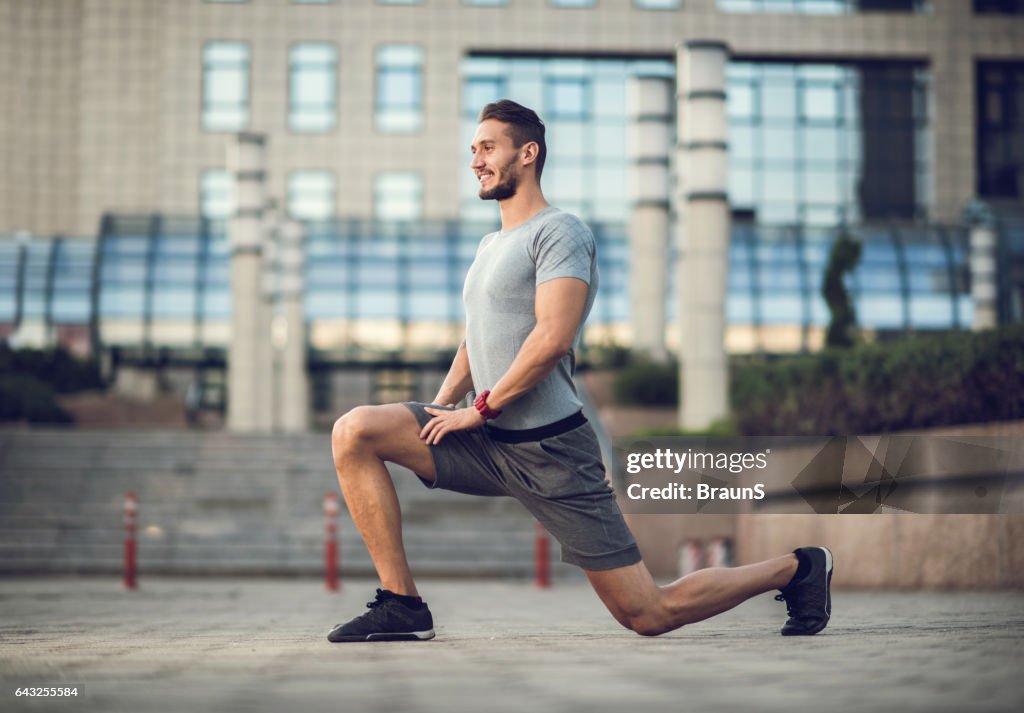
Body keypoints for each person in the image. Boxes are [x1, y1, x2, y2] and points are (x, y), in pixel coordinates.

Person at [327, 100, 832, 643]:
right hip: (485, 437)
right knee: (355, 430)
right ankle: (402, 604)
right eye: (473, 149)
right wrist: (445, 402)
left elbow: (551, 339)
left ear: (528, 152)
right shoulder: (489, 245)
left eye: (488, 147)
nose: (475, 159)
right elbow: (478, 336)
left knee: (647, 614)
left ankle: (799, 568)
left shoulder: (560, 231)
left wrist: (478, 409)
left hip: (551, 453)